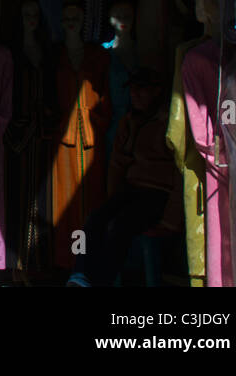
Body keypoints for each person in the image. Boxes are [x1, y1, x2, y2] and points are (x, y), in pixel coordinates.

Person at [68, 67, 183, 287]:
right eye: (133, 90)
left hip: (158, 194)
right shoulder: (130, 121)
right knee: (94, 219)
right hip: (131, 191)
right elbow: (118, 164)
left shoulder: (169, 123)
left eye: (142, 90)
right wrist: (113, 200)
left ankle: (102, 282)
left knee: (120, 226)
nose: (135, 95)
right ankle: (80, 275)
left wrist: (171, 219)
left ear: (157, 91)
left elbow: (181, 172)